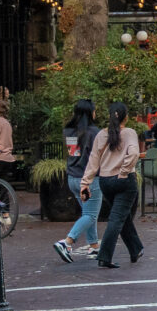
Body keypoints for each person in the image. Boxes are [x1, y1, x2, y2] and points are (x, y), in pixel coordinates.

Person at [79, 105, 144, 267]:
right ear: (125, 117)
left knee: (122, 216)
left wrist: (85, 183)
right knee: (117, 218)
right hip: (124, 181)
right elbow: (134, 153)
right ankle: (104, 257)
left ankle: (135, 249)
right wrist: (124, 172)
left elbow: (93, 160)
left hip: (105, 181)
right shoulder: (129, 133)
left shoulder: (102, 134)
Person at [54, 98, 102, 263]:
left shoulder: (68, 131)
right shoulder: (94, 132)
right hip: (88, 180)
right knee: (90, 214)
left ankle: (94, 247)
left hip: (72, 178)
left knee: (88, 213)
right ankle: (67, 242)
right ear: (89, 112)